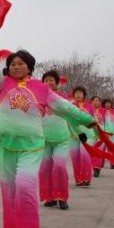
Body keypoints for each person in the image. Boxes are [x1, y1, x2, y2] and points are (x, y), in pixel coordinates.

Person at [0, 22, 96, 228]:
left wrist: (85, 119)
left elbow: (63, 107)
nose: (16, 66)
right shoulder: (1, 84)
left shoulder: (42, 89)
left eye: (21, 63)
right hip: (6, 146)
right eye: (12, 64)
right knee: (9, 188)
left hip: (32, 146)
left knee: (25, 184)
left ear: (30, 66)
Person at [38, 70, 71, 210]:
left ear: (57, 82)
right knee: (44, 169)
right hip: (45, 140)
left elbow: (72, 115)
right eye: (46, 80)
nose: (49, 82)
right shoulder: (39, 98)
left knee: (59, 166)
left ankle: (62, 197)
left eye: (52, 79)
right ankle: (50, 197)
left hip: (61, 139)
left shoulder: (63, 98)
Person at [69, 87, 95, 186]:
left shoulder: (89, 107)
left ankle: (87, 178)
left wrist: (97, 134)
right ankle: (78, 179)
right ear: (73, 95)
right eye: (76, 93)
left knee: (85, 156)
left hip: (87, 135)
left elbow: (93, 121)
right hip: (73, 135)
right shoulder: (70, 106)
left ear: (84, 95)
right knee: (75, 158)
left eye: (80, 93)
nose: (78, 95)